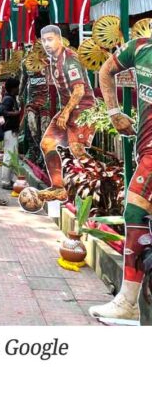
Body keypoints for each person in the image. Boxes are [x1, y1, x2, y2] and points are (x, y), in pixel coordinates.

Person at [89, 36, 152, 322]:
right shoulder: (140, 47)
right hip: (145, 148)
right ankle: (128, 302)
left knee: (135, 210)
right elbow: (105, 70)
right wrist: (114, 112)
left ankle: (128, 301)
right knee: (136, 212)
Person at [37, 25, 97, 202]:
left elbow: (79, 90)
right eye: (44, 41)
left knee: (77, 150)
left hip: (83, 109)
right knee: (47, 143)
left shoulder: (70, 59)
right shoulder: (53, 60)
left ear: (59, 39)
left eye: (50, 39)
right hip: (68, 109)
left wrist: (65, 113)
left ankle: (102, 182)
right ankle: (58, 188)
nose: (47, 44)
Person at [0, 77, 23, 190]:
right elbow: (2, 111)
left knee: (11, 155)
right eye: (17, 87)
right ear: (13, 88)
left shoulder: (11, 98)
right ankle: (5, 181)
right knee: (9, 156)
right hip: (9, 131)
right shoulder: (8, 99)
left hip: (11, 131)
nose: (18, 89)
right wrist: (15, 113)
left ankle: (8, 180)